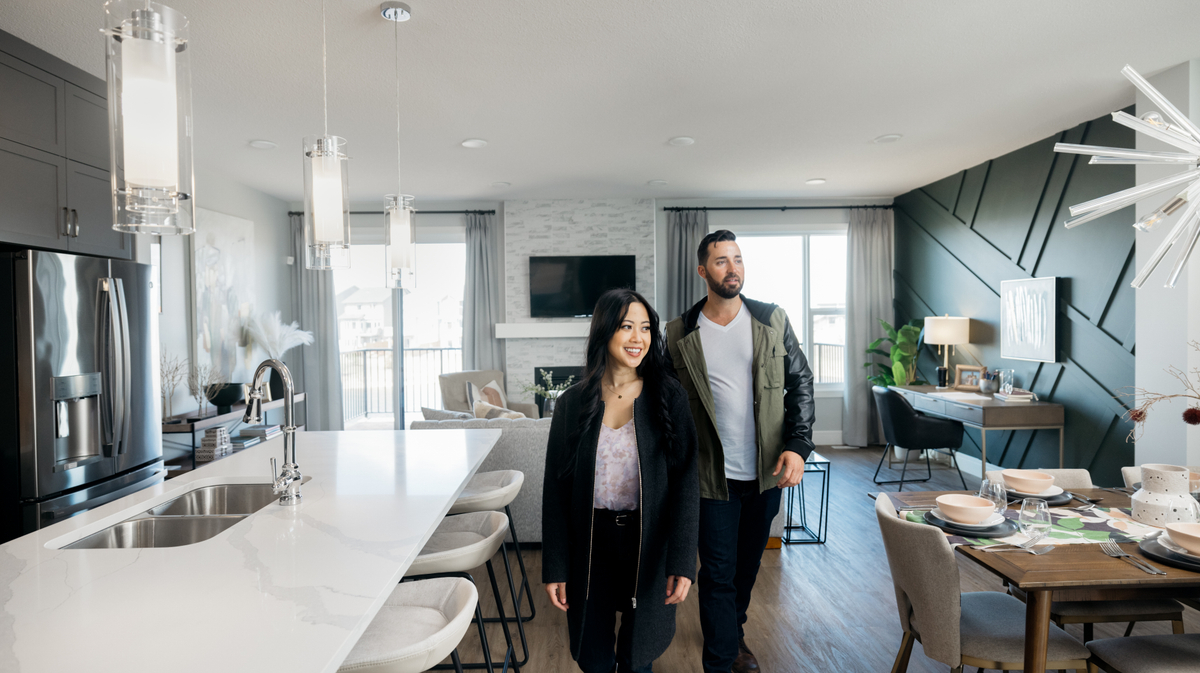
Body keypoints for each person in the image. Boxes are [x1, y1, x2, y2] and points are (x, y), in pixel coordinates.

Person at [664, 229, 815, 673]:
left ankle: (735, 633)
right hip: (710, 476)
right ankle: (722, 659)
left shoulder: (772, 320)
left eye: (738, 259)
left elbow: (800, 382)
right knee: (716, 574)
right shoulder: (679, 333)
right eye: (721, 261)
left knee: (746, 568)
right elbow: (662, 400)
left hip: (766, 472)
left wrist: (800, 445)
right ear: (702, 271)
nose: (733, 269)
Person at [543, 288, 700, 673]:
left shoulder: (668, 396)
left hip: (647, 543)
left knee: (637, 655)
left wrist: (682, 560)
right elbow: (556, 491)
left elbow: (685, 484)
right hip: (590, 542)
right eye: (627, 326)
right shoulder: (572, 402)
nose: (638, 338)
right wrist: (556, 567)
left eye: (645, 328)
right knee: (594, 656)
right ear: (604, 331)